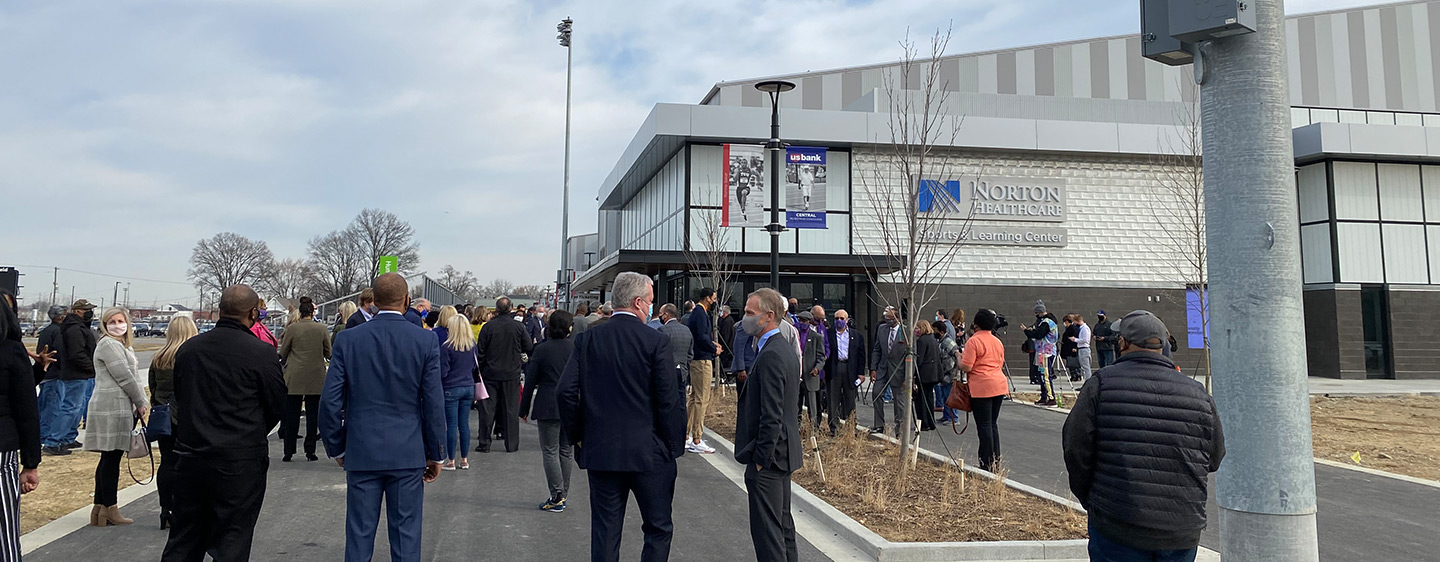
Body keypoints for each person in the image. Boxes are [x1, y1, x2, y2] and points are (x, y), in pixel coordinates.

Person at [1062, 310, 1225, 561]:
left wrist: (1092, 500)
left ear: (1123, 343)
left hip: (1117, 524)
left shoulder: (1101, 384)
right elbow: (1214, 457)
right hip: (1181, 529)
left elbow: (1075, 448)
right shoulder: (1197, 392)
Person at [556, 272, 684, 562]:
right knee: (658, 528)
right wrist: (672, 446)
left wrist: (578, 436)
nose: (652, 307)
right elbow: (668, 400)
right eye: (651, 301)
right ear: (639, 303)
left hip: (602, 449)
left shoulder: (588, 339)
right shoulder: (655, 341)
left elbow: (565, 392)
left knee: (605, 530)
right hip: (650, 452)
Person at [319, 274, 445, 562]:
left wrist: (337, 446)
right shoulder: (425, 340)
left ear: (373, 301)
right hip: (408, 451)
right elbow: (434, 403)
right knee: (406, 538)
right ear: (407, 301)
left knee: (360, 536)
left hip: (362, 449)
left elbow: (330, 401)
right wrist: (436, 452)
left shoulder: (348, 339)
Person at [161, 285, 286, 560]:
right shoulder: (262, 353)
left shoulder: (189, 350)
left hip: (191, 453)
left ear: (220, 310)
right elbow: (277, 404)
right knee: (233, 538)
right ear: (253, 313)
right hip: (239, 459)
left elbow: (181, 397)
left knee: (184, 539)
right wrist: (251, 432)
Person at [734, 288, 802, 562]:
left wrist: (761, 460)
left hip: (771, 460)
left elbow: (771, 414)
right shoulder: (779, 348)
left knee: (769, 535)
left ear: (769, 316)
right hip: (781, 456)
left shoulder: (773, 353)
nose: (745, 319)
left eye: (751, 313)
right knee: (782, 528)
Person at [83, 307, 148, 527]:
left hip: (117, 405)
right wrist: (141, 400)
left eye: (120, 320)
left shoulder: (120, 345)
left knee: (109, 458)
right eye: (112, 320)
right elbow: (125, 377)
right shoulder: (109, 344)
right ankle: (110, 507)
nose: (117, 324)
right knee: (111, 458)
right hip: (113, 406)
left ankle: (100, 507)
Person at [0, 291, 43, 560]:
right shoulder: (12, 351)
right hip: (3, 446)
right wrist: (31, 463)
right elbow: (27, 411)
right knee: (4, 531)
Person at [520, 310, 576, 512]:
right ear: (570, 328)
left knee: (550, 450)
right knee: (566, 451)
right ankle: (563, 494)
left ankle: (556, 494)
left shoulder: (542, 350)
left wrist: (524, 407)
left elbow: (531, 380)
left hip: (547, 402)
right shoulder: (576, 348)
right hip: (571, 404)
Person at [147, 315, 197, 529]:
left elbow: (153, 386)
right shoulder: (191, 356)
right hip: (186, 417)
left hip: (163, 416)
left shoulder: (159, 357)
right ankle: (183, 508)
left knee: (166, 463)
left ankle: (165, 508)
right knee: (186, 465)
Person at [475, 297, 532, 453]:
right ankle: (511, 444)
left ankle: (484, 443)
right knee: (511, 410)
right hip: (511, 373)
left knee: (487, 410)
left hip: (490, 373)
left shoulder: (488, 327)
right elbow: (529, 346)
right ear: (511, 309)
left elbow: (481, 351)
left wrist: (479, 371)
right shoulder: (519, 327)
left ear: (496, 309)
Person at [279, 296, 331, 463]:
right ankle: (310, 451)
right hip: (315, 375)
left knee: (291, 415)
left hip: (294, 375)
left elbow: (284, 351)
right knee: (312, 415)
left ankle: (288, 451)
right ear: (312, 312)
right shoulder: (322, 329)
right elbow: (328, 352)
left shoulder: (292, 329)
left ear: (300, 313)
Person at [961, 309, 1008, 471]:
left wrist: (958, 359)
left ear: (976, 324)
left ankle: (986, 462)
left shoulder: (973, 341)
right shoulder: (997, 341)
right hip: (999, 384)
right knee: (993, 424)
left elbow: (967, 366)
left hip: (981, 386)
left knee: (984, 425)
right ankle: (996, 460)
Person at [55, 299, 98, 455]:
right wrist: (92, 367)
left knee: (77, 408)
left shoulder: (79, 327)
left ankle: (68, 437)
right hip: (75, 373)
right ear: (78, 311)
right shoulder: (74, 329)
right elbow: (76, 354)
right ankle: (54, 441)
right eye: (87, 310)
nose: (90, 313)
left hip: (81, 374)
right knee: (69, 407)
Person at [685, 288, 722, 455]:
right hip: (702, 360)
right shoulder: (700, 313)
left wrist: (713, 345)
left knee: (694, 398)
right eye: (713, 298)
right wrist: (713, 349)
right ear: (707, 298)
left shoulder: (697, 312)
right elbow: (701, 337)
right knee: (702, 398)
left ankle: (686, 435)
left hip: (697, 358)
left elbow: (701, 336)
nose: (714, 301)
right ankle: (697, 439)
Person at [438, 314, 477, 471]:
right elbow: (474, 367)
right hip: (468, 386)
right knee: (464, 424)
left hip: (451, 388)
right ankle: (465, 459)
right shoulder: (472, 345)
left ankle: (451, 460)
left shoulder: (447, 347)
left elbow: (443, 371)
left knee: (451, 425)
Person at [823, 310, 864, 434]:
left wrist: (861, 373)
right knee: (833, 400)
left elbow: (861, 356)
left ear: (847, 320)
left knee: (850, 399)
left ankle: (852, 427)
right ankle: (834, 428)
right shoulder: (828, 334)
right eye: (836, 318)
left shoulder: (856, 336)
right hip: (834, 368)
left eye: (841, 318)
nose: (839, 321)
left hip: (849, 369)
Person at [36, 305, 69, 456]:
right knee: (53, 408)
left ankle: (40, 434)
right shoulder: (57, 331)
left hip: (44, 374)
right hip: (54, 374)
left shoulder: (45, 331)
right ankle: (45, 437)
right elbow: (59, 353)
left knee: (43, 407)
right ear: (60, 316)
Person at [868, 308, 903, 435]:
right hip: (882, 368)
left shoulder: (904, 331)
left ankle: (900, 429)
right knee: (876, 394)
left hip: (899, 370)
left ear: (897, 319)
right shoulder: (882, 329)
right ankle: (879, 425)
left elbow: (910, 355)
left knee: (899, 401)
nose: (887, 321)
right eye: (886, 319)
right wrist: (873, 368)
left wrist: (909, 376)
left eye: (890, 319)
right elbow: (877, 349)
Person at [1021, 301, 1059, 407]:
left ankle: (1051, 398)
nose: (1035, 315)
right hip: (1042, 351)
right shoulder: (1045, 322)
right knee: (1041, 374)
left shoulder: (1047, 322)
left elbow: (1039, 334)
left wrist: (1027, 331)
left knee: (1046, 375)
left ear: (1040, 312)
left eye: (1036, 313)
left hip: (1047, 351)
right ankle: (1044, 396)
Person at [655, 305, 693, 407]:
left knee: (667, 402)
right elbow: (690, 354)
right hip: (683, 371)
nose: (660, 316)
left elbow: (659, 353)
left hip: (667, 372)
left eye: (660, 313)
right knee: (681, 402)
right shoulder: (687, 330)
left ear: (665, 315)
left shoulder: (662, 330)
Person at [796, 312, 826, 429]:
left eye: (804, 321)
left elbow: (821, 357)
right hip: (797, 376)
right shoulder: (795, 334)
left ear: (809, 322)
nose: (802, 323)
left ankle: (813, 430)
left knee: (812, 407)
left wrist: (817, 369)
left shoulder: (817, 337)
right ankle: (796, 429)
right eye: (800, 321)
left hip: (810, 376)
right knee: (796, 406)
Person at [912, 320, 940, 432]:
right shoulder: (933, 339)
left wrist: (913, 374)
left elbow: (919, 359)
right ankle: (931, 421)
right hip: (933, 373)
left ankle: (923, 423)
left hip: (923, 374)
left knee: (920, 400)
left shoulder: (922, 341)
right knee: (929, 398)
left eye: (917, 328)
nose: (916, 331)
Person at [932, 320, 961, 426]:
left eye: (935, 331)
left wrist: (951, 371)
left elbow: (955, 357)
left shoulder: (947, 342)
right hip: (944, 375)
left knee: (950, 397)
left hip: (949, 374)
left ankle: (954, 418)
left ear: (942, 331)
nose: (934, 333)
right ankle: (946, 416)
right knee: (945, 396)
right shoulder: (940, 342)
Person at [730, 310, 758, 397]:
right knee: (744, 398)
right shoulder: (746, 324)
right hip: (746, 368)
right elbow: (739, 346)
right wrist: (741, 368)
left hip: (752, 366)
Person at [1071, 313, 1092, 381]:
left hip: (1084, 349)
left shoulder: (1085, 329)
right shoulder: (1082, 328)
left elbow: (1085, 340)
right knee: (1084, 367)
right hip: (1082, 349)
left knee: (1086, 368)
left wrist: (1075, 339)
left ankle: (1088, 382)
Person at [717, 305, 736, 381]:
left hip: (727, 347)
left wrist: (722, 346)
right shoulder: (727, 320)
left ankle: (725, 377)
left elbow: (725, 335)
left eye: (721, 311)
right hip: (727, 346)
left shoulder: (727, 321)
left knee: (725, 363)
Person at [1059, 314, 1081, 381]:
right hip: (1067, 347)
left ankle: (1076, 375)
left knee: (1072, 362)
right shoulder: (1068, 328)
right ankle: (1073, 375)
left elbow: (1075, 337)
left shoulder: (1073, 328)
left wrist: (1075, 347)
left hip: (1071, 347)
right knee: (1070, 362)